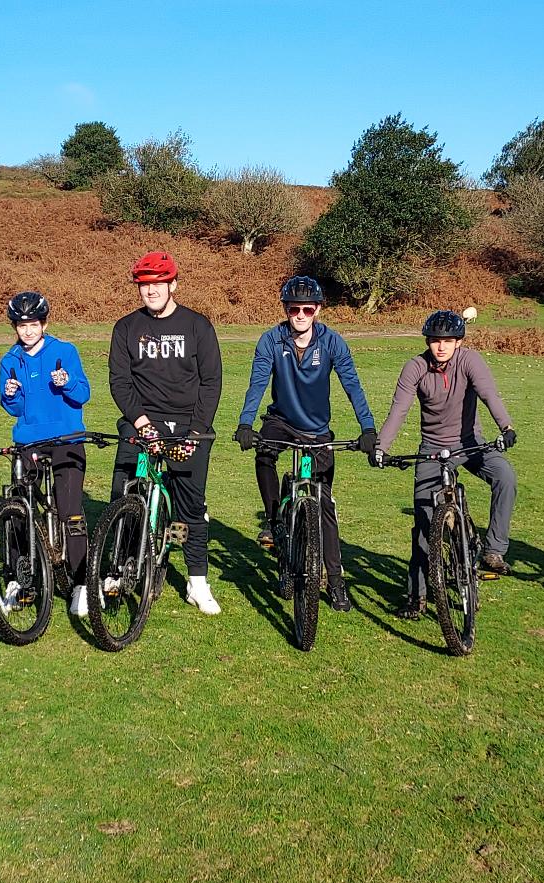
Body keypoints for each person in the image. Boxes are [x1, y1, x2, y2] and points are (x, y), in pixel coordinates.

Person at [233, 275, 376, 611]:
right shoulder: (271, 340)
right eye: (294, 308)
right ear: (285, 309)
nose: (300, 314)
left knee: (324, 505)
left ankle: (336, 582)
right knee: (264, 454)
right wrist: (245, 422)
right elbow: (256, 384)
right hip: (280, 421)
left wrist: (368, 428)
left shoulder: (332, 343)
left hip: (316, 430)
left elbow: (352, 385)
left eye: (307, 309)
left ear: (318, 310)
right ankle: (274, 521)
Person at [371, 310, 518, 619]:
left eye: (448, 341)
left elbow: (489, 394)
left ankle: (493, 550)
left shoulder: (470, 361)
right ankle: (417, 597)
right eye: (436, 341)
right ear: (428, 341)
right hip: (432, 449)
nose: (441, 347)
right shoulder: (415, 367)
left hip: (471, 443)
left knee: (505, 475)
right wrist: (382, 448)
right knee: (424, 522)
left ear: (458, 342)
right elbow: (399, 410)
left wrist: (506, 428)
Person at [107, 251, 223, 614]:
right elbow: (120, 381)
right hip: (141, 422)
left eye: (158, 283)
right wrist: (142, 422)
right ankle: (117, 567)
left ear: (172, 284)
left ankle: (196, 580)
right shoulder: (126, 328)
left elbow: (211, 382)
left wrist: (196, 430)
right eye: (144, 285)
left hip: (188, 425)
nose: (151, 291)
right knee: (124, 495)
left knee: (188, 507)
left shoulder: (197, 326)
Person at [0, 290, 93, 617]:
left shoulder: (65, 351)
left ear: (44, 323)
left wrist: (65, 383)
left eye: (33, 324)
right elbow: (15, 409)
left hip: (66, 438)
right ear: (14, 327)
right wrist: (11, 396)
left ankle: (81, 584)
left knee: (70, 511)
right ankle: (19, 580)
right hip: (29, 441)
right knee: (19, 509)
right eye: (21, 325)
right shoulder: (9, 360)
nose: (28, 331)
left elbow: (83, 394)